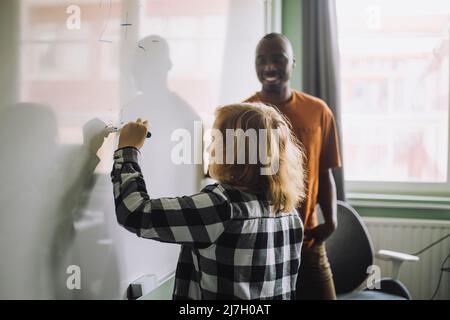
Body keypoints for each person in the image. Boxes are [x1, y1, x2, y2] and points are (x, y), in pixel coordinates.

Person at [111, 102, 306, 299]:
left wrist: (128, 150)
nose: (210, 150)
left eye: (215, 140)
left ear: (236, 149)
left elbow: (134, 212)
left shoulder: (221, 207)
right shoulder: (288, 211)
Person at [245, 33, 342, 300]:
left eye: (278, 59)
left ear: (293, 63)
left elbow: (325, 171)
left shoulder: (318, 111)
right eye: (261, 60)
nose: (269, 67)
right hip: (261, 243)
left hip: (308, 241)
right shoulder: (244, 114)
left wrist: (331, 220)